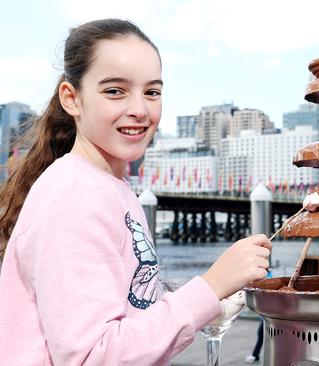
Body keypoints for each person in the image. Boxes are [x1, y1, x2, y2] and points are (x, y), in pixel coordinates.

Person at [0, 19, 271, 365]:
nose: (139, 109)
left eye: (152, 92)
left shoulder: (110, 187)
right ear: (72, 99)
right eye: (115, 91)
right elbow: (91, 356)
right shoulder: (73, 196)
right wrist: (211, 285)